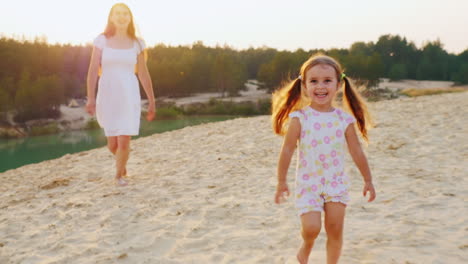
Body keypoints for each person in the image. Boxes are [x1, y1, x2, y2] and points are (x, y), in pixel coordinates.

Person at [272, 54, 376, 263]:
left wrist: (368, 180)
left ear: (338, 84)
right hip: (308, 184)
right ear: (304, 85)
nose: (321, 86)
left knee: (335, 230)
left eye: (327, 81)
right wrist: (281, 181)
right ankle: (307, 245)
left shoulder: (344, 120)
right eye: (314, 81)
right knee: (312, 228)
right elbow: (287, 151)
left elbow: (356, 151)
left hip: (336, 183)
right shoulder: (300, 118)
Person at [86, 3, 155, 186]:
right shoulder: (101, 40)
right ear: (111, 17)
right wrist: (91, 98)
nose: (122, 16)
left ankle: (119, 176)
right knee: (112, 145)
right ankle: (121, 164)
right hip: (108, 94)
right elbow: (93, 70)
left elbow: (143, 73)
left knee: (124, 140)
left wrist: (152, 101)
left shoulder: (137, 43)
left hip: (129, 95)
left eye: (125, 13)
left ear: (130, 17)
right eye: (117, 13)